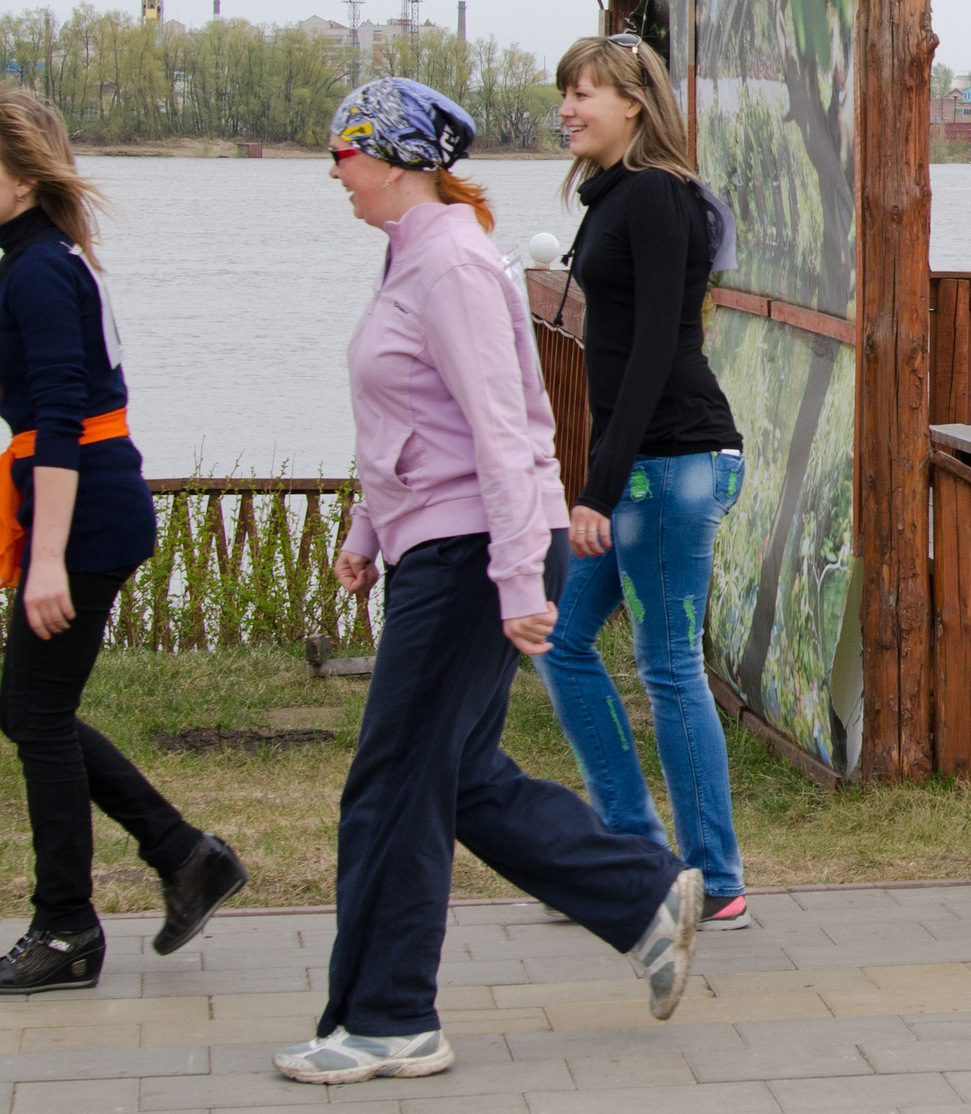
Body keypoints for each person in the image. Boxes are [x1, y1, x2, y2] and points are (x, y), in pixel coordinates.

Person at [276, 78, 701, 1087]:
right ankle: (638, 894)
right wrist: (368, 526)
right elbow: (409, 420)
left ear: (388, 156)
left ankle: (388, 1020)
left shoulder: (453, 266)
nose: (332, 173)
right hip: (444, 544)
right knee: (457, 774)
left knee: (390, 785)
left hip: (474, 556)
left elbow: (508, 429)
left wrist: (519, 580)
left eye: (340, 154)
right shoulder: (412, 258)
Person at [0, 86, 248, 994]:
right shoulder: (39, 260)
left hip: (87, 520)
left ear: (23, 178)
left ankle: (69, 926)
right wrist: (10, 510)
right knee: (29, 712)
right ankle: (183, 855)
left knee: (34, 717)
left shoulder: (41, 269)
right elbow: (52, 412)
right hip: (82, 506)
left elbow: (72, 416)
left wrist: (46, 557)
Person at [534, 33, 750, 929]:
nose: (570, 106)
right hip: (643, 463)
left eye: (588, 91)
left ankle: (715, 878)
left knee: (666, 666)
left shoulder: (658, 196)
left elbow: (658, 346)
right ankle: (631, 851)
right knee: (559, 639)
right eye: (565, 91)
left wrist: (597, 487)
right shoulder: (611, 199)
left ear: (635, 103)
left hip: (675, 463)